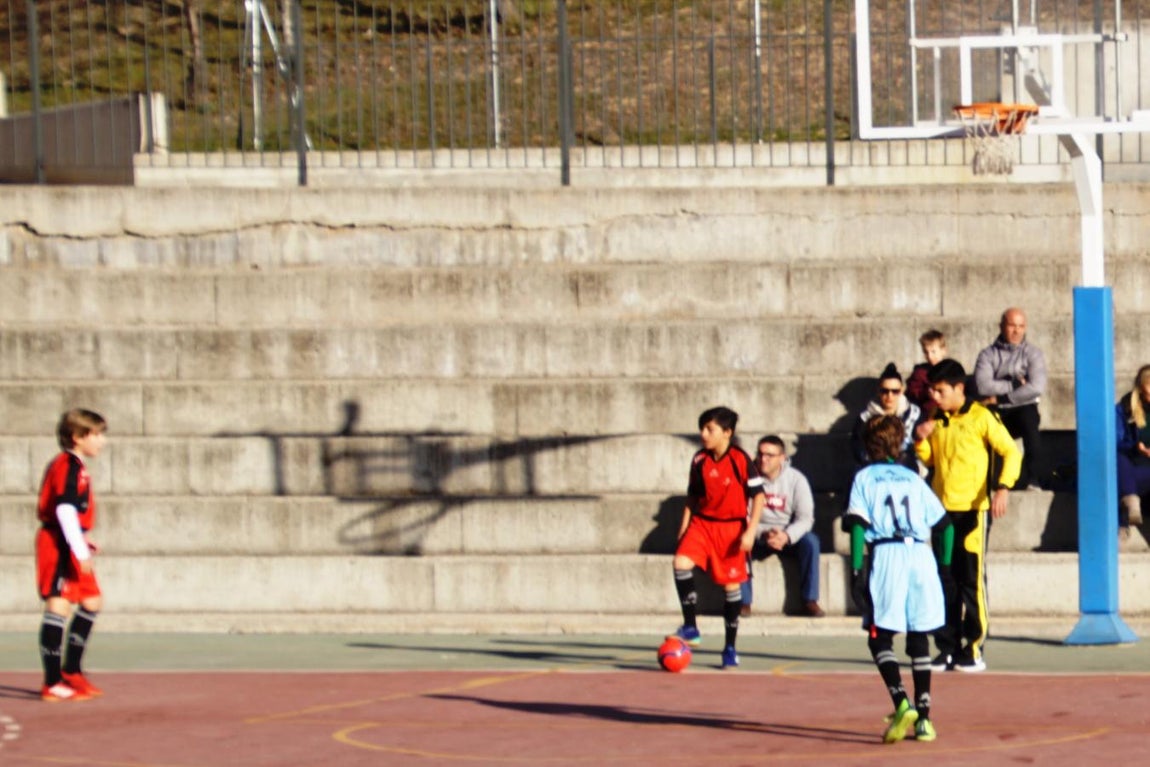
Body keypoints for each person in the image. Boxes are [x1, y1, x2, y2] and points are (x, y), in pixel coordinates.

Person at [844, 415, 952, 744]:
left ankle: (901, 702)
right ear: (899, 442)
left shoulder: (864, 477)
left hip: (887, 554)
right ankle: (925, 720)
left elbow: (859, 525)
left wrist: (857, 568)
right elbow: (945, 525)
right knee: (919, 636)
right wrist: (944, 567)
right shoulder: (913, 477)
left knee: (879, 637)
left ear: (867, 443)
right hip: (920, 554)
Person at [914, 359, 1020, 673]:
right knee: (943, 580)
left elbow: (1010, 451)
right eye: (932, 390)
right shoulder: (935, 418)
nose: (935, 395)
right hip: (941, 512)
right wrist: (920, 439)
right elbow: (930, 458)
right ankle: (946, 647)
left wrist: (1003, 487)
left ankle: (973, 648)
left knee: (971, 581)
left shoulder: (981, 416)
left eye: (940, 390)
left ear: (959, 388)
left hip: (973, 511)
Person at [668, 406, 765, 670]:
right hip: (703, 524)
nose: (703, 434)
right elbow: (693, 497)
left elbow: (759, 497)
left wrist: (750, 531)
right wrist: (684, 526)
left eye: (710, 429)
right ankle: (691, 627)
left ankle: (730, 647)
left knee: (731, 588)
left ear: (727, 433)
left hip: (731, 529)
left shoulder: (740, 460)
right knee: (680, 563)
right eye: (702, 428)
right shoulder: (699, 459)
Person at [36, 409, 108, 702]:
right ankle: (52, 682)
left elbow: (73, 513)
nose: (102, 441)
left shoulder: (76, 466)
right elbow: (64, 509)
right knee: (59, 604)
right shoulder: (68, 466)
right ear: (78, 437)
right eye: (97, 434)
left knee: (92, 601)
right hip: (57, 546)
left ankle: (72, 671)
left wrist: (83, 540)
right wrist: (78, 549)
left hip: (69, 541)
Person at [739, 435, 824, 618]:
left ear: (782, 458)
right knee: (738, 537)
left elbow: (806, 518)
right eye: (761, 454)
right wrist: (762, 533)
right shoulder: (747, 478)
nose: (763, 459)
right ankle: (743, 602)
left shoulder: (796, 480)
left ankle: (810, 600)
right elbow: (742, 515)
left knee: (811, 542)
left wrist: (785, 535)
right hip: (757, 533)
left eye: (770, 455)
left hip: (787, 535)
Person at [973, 308, 1047, 490]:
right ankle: (983, 479)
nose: (1016, 331)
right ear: (1002, 326)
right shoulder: (987, 355)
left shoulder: (1034, 353)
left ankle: (1033, 479)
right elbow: (983, 386)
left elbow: (1036, 387)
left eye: (1021, 326)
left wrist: (1001, 397)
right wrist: (1015, 385)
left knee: (1030, 422)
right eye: (1012, 325)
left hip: (1022, 407)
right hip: (995, 410)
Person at [851, 363, 921, 471]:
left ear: (902, 390)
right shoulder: (864, 418)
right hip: (874, 471)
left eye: (895, 391)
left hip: (908, 471)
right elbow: (858, 448)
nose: (890, 396)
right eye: (885, 391)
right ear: (878, 390)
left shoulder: (914, 415)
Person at [1116, 365, 1150, 543]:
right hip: (1128, 465)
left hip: (1145, 474)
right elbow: (1114, 442)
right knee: (1118, 460)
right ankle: (1130, 502)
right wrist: (1136, 447)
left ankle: (1126, 509)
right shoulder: (1125, 409)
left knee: (1122, 481)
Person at [906, 329, 947, 420]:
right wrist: (926, 393)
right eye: (926, 352)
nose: (930, 356)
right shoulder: (920, 373)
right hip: (926, 412)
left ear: (943, 351)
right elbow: (912, 392)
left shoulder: (951, 370)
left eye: (933, 351)